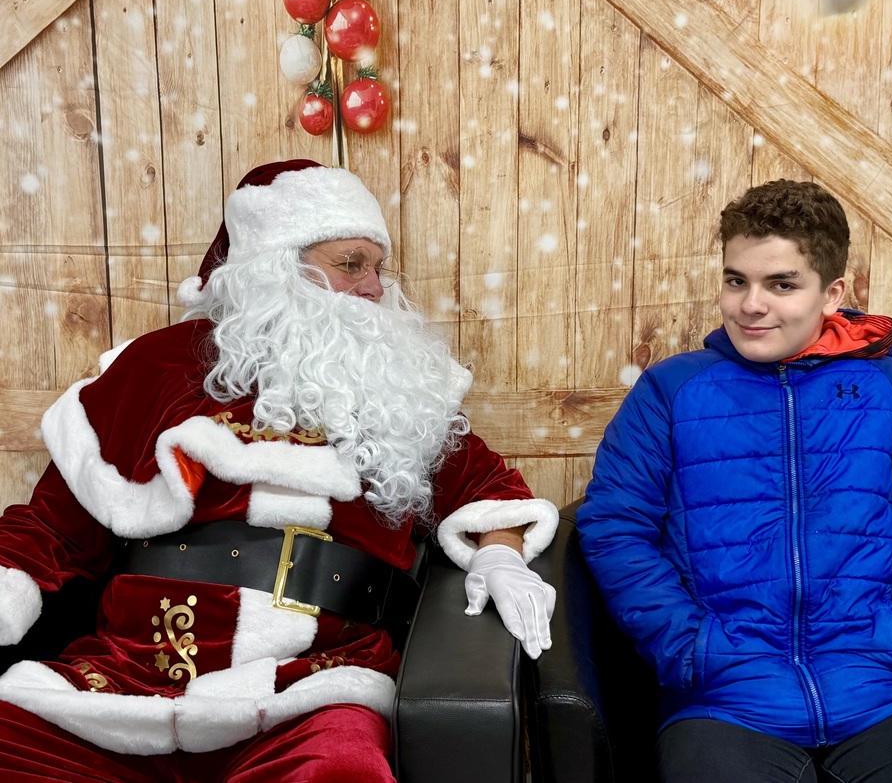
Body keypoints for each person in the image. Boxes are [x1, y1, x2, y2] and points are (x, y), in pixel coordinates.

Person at [0, 160, 558, 781]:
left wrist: (501, 555)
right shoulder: (153, 369)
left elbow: (487, 490)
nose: (374, 286)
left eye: (379, 267)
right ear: (276, 265)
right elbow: (48, 529)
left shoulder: (400, 388)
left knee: (339, 769)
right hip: (126, 681)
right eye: (351, 264)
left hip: (311, 688)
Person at [577, 179, 892, 782]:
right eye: (736, 280)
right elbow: (613, 526)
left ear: (832, 292)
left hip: (880, 697)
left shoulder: (888, 392)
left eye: (781, 284)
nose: (750, 305)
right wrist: (690, 648)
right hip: (723, 703)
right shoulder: (670, 390)